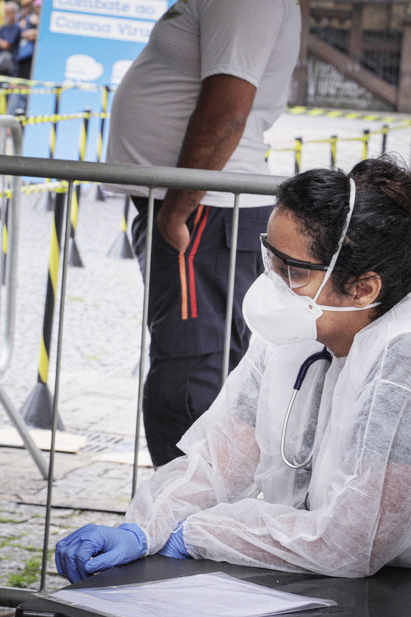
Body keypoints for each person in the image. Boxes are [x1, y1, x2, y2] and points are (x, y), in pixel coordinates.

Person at [55, 158, 411, 603]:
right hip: (405, 590)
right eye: (269, 256)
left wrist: (192, 534)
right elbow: (220, 461)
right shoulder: (302, 325)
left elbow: (353, 541)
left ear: (362, 288)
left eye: (292, 270)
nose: (272, 283)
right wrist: (143, 527)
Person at [104, 0, 302, 468]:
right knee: (198, 368)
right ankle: (187, 515)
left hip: (201, 211)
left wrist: (179, 206)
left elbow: (227, 110)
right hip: (196, 206)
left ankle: (179, 521)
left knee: (190, 375)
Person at [0, 1, 20, 76]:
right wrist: (0, 42)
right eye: (5, 12)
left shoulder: (16, 28)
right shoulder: (3, 27)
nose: (6, 14)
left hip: (10, 65)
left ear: (14, 13)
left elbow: (6, 45)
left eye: (8, 12)